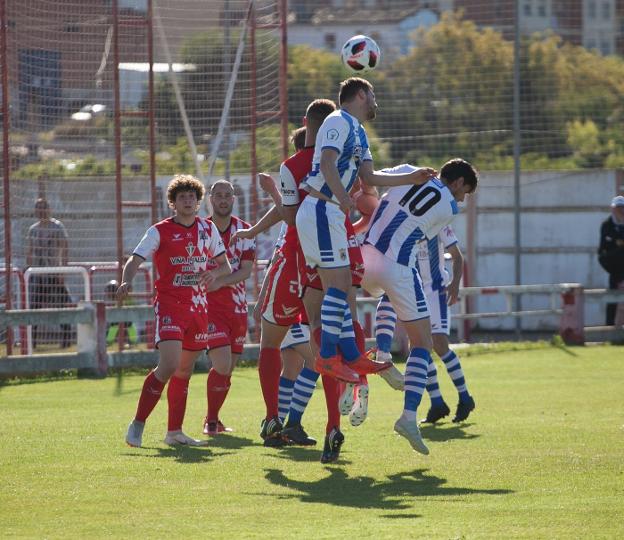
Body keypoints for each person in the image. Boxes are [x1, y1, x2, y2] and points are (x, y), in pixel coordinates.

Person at [295, 76, 436, 386]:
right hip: (320, 208)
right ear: (360, 94)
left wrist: (411, 177)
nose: (375, 101)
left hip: (330, 210)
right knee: (339, 285)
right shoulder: (337, 119)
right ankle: (327, 356)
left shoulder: (359, 132)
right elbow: (328, 163)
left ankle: (349, 353)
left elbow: (370, 177)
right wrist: (343, 197)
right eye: (372, 95)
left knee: (345, 287)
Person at [235, 99, 345, 459]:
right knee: (322, 343)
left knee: (270, 341)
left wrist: (256, 225)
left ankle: (272, 419)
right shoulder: (341, 163)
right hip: (328, 260)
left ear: (304, 123)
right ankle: (333, 426)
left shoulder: (292, 165)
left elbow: (291, 213)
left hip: (295, 257)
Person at [360, 159, 478, 455]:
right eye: (464, 193)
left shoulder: (407, 170)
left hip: (364, 255)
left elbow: (369, 180)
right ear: (458, 183)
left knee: (381, 298)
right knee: (422, 343)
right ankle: (408, 416)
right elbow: (421, 235)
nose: (461, 200)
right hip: (396, 264)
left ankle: (381, 354)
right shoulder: (449, 207)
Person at [122, 174, 231, 448]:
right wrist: (126, 280)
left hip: (199, 307)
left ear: (198, 202)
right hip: (170, 304)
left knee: (184, 371)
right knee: (169, 364)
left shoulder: (208, 230)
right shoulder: (160, 230)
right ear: (173, 203)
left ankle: (174, 432)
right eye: (181, 197)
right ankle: (137, 423)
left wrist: (213, 274)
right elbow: (135, 259)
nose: (187, 201)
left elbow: (225, 266)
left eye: (191, 197)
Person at [372, 225, 476, 424]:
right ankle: (437, 402)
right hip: (415, 291)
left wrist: (454, 284)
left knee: (440, 344)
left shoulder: (440, 223)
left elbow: (457, 255)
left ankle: (465, 397)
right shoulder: (407, 223)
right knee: (417, 346)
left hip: (437, 292)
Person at [201, 179, 256, 436]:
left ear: (234, 198)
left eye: (227, 195)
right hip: (209, 308)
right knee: (222, 365)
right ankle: (210, 422)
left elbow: (245, 271)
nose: (223, 199)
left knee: (228, 369)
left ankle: (213, 419)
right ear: (210, 199)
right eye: (218, 195)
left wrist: (219, 281)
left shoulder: (245, 231)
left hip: (237, 309)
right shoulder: (200, 230)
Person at [26, 197, 72, 348]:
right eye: (37, 209)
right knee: (35, 308)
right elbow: (30, 251)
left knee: (63, 305)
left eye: (43, 208)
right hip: (39, 275)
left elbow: (64, 249)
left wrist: (62, 271)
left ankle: (66, 340)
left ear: (49, 209)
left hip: (54, 273)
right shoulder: (33, 229)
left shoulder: (57, 226)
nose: (40, 211)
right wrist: (29, 270)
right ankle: (32, 342)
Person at [598, 195, 624, 326]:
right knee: (613, 298)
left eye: (622, 208)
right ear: (612, 209)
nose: (620, 211)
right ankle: (609, 329)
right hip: (615, 268)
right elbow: (603, 249)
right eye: (618, 208)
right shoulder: (607, 225)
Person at [104, 279, 137, 347]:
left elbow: (130, 303)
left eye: (110, 290)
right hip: (123, 312)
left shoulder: (124, 295)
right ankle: (110, 341)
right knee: (115, 324)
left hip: (128, 312)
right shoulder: (117, 298)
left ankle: (133, 341)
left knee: (128, 325)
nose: (108, 293)